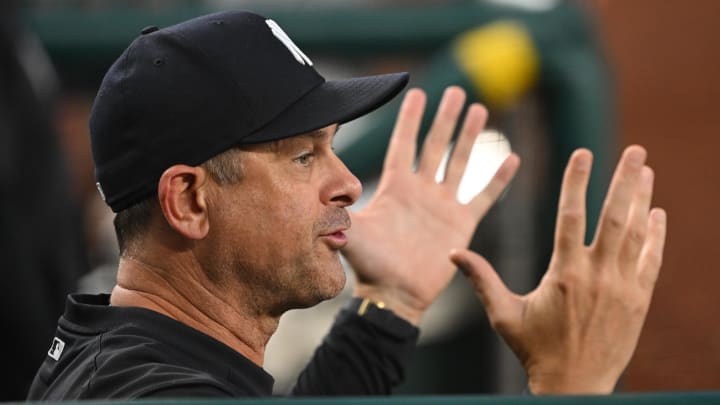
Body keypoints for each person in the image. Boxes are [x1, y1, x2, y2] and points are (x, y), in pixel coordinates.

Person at [27, 10, 666, 399]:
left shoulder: (126, 360)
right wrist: (571, 388)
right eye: (303, 157)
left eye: (333, 149)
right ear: (191, 200)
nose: (349, 183)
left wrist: (393, 305)